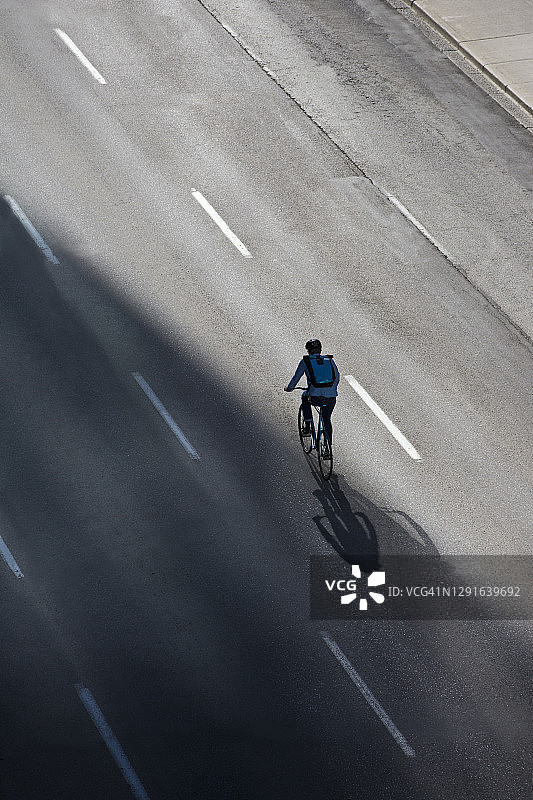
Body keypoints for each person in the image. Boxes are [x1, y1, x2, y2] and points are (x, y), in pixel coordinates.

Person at [284, 339, 340, 454]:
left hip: (315, 397)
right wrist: (330, 390)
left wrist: (289, 388)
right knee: (326, 419)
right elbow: (337, 377)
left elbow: (296, 378)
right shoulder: (329, 360)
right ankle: (327, 448)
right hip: (331, 398)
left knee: (305, 396)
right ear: (320, 350)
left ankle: (308, 425)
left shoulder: (305, 361)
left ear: (308, 351)